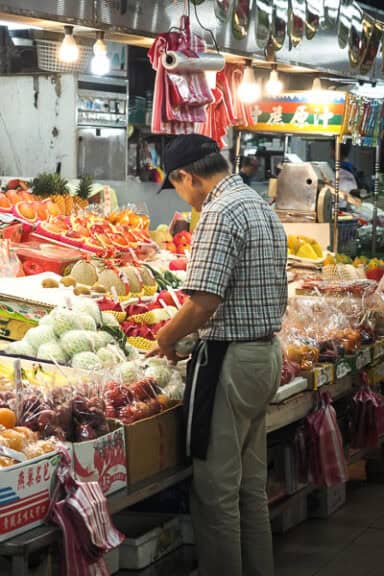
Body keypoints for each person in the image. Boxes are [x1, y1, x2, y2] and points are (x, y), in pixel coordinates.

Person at [152, 135, 287, 576]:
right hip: (265, 355)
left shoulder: (218, 210)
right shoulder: (256, 204)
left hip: (230, 360)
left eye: (177, 186)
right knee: (249, 489)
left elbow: (204, 300)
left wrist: (167, 337)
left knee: (216, 495)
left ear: (187, 176)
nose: (183, 196)